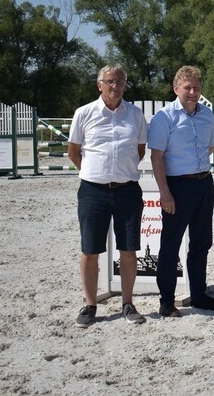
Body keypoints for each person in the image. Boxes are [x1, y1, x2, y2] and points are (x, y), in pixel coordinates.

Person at [68, 64, 147, 328]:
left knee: (128, 249)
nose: (116, 86)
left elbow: (140, 150)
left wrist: (119, 171)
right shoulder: (84, 113)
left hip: (127, 190)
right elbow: (73, 151)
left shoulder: (135, 115)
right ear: (99, 84)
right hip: (93, 191)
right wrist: (94, 173)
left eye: (121, 81)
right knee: (90, 250)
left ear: (125, 85)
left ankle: (127, 303)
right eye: (110, 81)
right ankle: (90, 304)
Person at [149, 65, 214, 317]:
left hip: (204, 183)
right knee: (171, 245)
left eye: (197, 88)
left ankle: (199, 294)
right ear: (176, 88)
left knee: (202, 242)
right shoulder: (164, 118)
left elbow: (210, 148)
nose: (192, 92)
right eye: (187, 87)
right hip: (177, 187)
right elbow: (156, 157)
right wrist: (165, 192)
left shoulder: (207, 115)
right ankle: (166, 301)